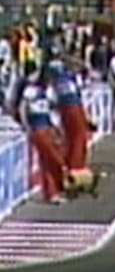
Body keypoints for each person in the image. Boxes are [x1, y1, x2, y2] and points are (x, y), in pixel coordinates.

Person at [19, 72, 66, 204]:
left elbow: (52, 110)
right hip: (38, 129)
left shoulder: (49, 92)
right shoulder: (31, 91)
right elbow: (23, 107)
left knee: (47, 162)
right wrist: (26, 125)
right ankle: (54, 191)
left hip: (47, 127)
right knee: (52, 160)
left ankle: (53, 192)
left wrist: (56, 128)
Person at [49, 47, 91, 183]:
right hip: (72, 105)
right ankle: (75, 167)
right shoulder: (67, 76)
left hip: (64, 106)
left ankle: (71, 165)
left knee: (71, 136)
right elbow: (80, 67)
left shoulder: (56, 79)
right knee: (78, 136)